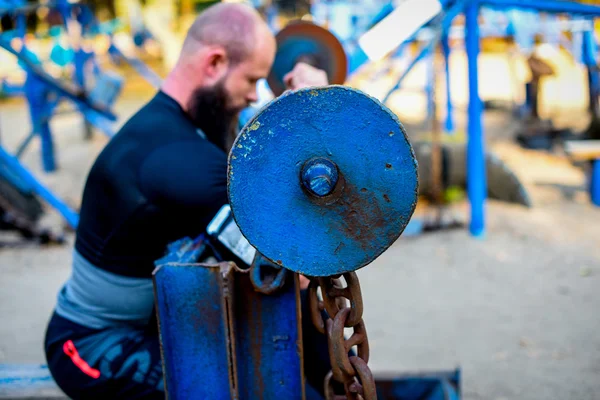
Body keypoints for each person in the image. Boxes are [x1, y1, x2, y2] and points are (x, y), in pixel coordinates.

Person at [43, 3, 330, 399]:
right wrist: (315, 106)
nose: (251, 97)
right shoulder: (175, 159)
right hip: (91, 346)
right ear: (214, 63)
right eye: (250, 81)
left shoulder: (183, 129)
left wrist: (306, 108)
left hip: (150, 325)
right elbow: (295, 268)